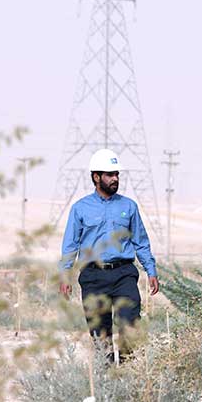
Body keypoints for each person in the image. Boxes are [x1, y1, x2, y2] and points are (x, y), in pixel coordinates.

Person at [60, 148, 159, 362]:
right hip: (93, 276)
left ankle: (126, 371)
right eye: (110, 175)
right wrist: (65, 274)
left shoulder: (129, 206)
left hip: (124, 274)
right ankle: (106, 380)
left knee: (130, 325)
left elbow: (140, 242)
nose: (115, 179)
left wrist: (151, 271)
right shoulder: (80, 208)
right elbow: (70, 245)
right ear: (96, 177)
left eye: (117, 174)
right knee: (100, 334)